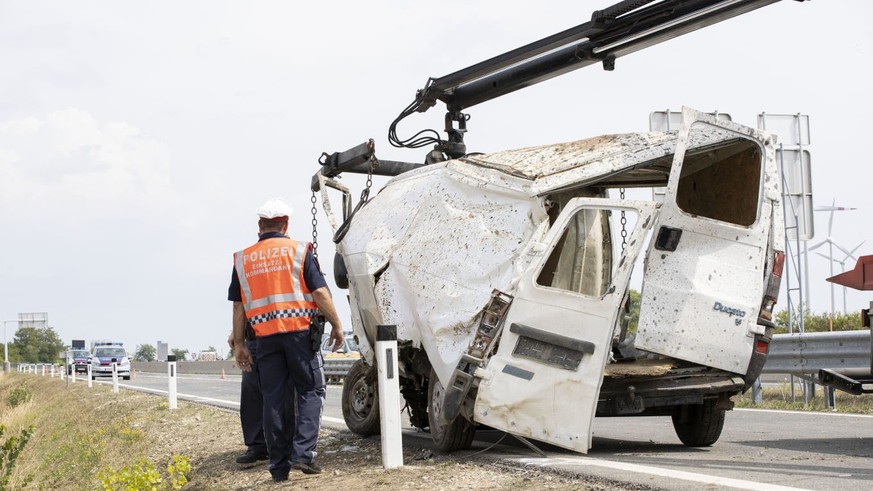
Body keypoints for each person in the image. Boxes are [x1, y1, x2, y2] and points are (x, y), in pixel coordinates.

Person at [229, 197, 344, 483]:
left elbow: (238, 306)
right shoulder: (299, 251)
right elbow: (319, 293)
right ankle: (303, 454)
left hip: (265, 338)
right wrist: (337, 325)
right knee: (311, 391)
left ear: (260, 225)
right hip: (299, 335)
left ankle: (278, 469)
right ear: (286, 224)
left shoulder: (243, 258)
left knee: (273, 400)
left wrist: (241, 344)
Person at [226, 323, 296, 465]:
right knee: (251, 389)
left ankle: (288, 447)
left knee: (286, 392)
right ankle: (257, 447)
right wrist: (237, 333)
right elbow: (241, 304)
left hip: (285, 333)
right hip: (255, 336)